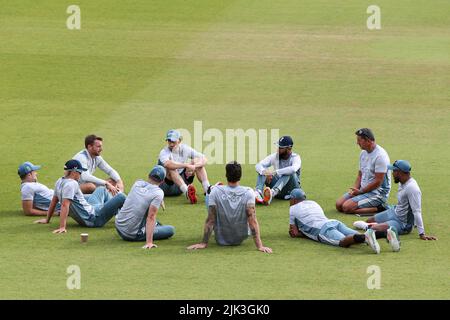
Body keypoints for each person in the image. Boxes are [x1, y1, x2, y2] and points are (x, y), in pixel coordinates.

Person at [187, 161, 272, 253]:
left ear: (226, 175)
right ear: (240, 176)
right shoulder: (249, 192)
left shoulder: (215, 191)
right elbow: (252, 221)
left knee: (210, 193)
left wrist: (203, 243)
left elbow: (210, 220)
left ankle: (216, 189)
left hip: (220, 239)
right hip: (241, 238)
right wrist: (260, 246)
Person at [289, 188, 400, 254]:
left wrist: (301, 234)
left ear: (293, 199)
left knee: (343, 242)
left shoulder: (293, 209)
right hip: (334, 222)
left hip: (323, 230)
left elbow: (294, 232)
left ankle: (367, 236)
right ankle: (386, 233)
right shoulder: (313, 203)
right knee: (357, 237)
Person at [353, 160, 437, 241]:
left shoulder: (412, 188)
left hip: (402, 223)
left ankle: (371, 227)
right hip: (394, 212)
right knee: (369, 220)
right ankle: (375, 225)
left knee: (374, 228)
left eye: (394, 171)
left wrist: (422, 233)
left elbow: (417, 211)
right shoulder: (402, 181)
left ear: (399, 172)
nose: (392, 174)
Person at [34, 159, 126, 233]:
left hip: (92, 209)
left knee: (101, 190)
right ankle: (128, 217)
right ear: (74, 172)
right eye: (80, 172)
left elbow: (54, 201)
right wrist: (62, 227)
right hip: (94, 219)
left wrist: (47, 220)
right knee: (121, 197)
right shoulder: (72, 184)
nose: (81, 175)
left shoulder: (59, 181)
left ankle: (118, 212)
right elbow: (65, 205)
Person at [115, 165, 175, 249]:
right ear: (162, 181)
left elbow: (145, 195)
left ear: (149, 176)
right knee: (170, 230)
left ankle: (152, 226)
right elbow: (151, 217)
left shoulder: (138, 183)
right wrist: (149, 242)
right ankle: (148, 232)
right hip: (131, 234)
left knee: (153, 220)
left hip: (118, 226)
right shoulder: (158, 193)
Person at [336, 128, 391, 215]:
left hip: (377, 194)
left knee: (346, 207)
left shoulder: (380, 156)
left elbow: (378, 182)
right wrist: (355, 190)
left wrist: (361, 192)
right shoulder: (363, 153)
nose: (357, 143)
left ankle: (380, 208)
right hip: (363, 190)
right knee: (339, 205)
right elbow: (360, 175)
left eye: (359, 140)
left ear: (368, 141)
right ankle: (360, 203)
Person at [158, 129, 210, 204]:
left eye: (173, 141)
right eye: (169, 141)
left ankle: (207, 190)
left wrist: (194, 166)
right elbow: (168, 164)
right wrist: (186, 165)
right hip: (166, 188)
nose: (171, 144)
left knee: (196, 161)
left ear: (179, 140)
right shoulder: (164, 152)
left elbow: (204, 158)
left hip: (179, 187)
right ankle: (187, 192)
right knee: (171, 168)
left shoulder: (185, 149)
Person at [255, 135, 301, 205]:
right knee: (263, 170)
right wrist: (265, 172)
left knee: (289, 172)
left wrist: (275, 172)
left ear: (289, 148)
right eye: (278, 147)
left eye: (281, 148)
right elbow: (258, 165)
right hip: (279, 189)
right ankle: (258, 192)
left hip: (292, 191)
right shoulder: (275, 156)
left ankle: (273, 192)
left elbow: (293, 169)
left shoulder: (295, 157)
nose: (278, 149)